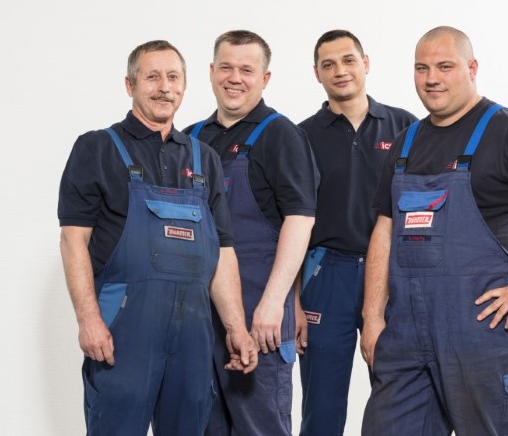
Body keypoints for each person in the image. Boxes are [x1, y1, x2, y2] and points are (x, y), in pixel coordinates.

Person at [360, 26, 508, 436]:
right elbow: (385, 229)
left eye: (445, 67)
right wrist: (373, 316)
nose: (432, 78)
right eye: (421, 68)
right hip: (406, 335)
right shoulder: (404, 143)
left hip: (482, 334)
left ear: (472, 68)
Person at [58, 40, 257, 435]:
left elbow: (223, 252)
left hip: (193, 335)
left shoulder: (203, 159)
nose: (165, 87)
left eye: (173, 77)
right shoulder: (97, 148)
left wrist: (236, 327)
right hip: (124, 331)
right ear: (130, 84)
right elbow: (73, 240)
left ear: (184, 85)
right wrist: (88, 320)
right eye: (152, 77)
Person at [184, 30, 318, 436]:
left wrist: (273, 304)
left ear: (265, 78)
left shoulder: (281, 135)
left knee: (259, 426)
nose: (235, 78)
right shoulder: (191, 138)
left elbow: (300, 220)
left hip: (258, 312)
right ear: (211, 71)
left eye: (247, 69)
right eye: (226, 67)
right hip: (197, 315)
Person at [296, 29, 417, 436]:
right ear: (316, 73)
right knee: (322, 404)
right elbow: (288, 222)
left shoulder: (405, 127)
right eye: (328, 64)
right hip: (326, 275)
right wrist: (292, 301)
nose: (340, 71)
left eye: (348, 60)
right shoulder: (300, 136)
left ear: (366, 63)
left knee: (399, 398)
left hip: (394, 274)